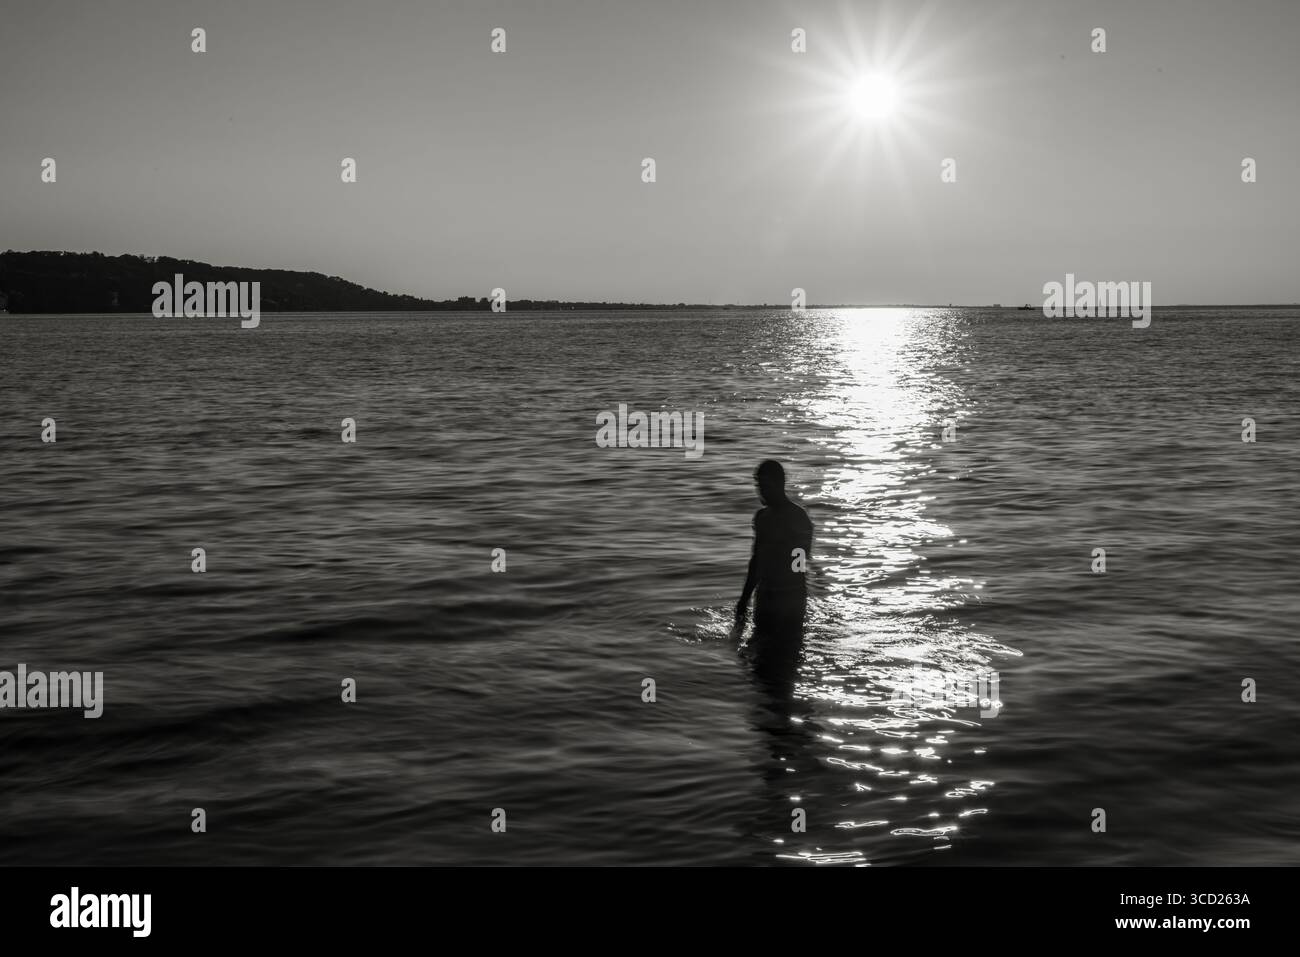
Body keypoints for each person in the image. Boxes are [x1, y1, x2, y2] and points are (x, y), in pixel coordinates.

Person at [732, 460, 813, 695]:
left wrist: (789, 594)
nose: (761, 490)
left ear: (780, 484)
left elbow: (801, 561)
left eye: (766, 485)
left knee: (788, 657)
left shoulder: (798, 517)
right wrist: (744, 599)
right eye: (758, 485)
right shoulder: (762, 518)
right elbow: (756, 560)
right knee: (760, 657)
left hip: (789, 599)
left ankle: (783, 702)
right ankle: (767, 705)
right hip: (765, 597)